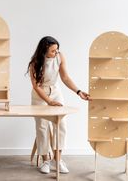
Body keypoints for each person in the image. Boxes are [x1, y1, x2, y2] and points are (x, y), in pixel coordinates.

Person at [27, 36, 90, 174]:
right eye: (53, 51)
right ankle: (45, 160)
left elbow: (65, 77)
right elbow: (36, 86)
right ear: (44, 51)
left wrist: (78, 92)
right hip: (40, 95)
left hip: (55, 91)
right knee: (42, 126)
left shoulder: (60, 57)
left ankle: (58, 159)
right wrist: (49, 101)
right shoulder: (35, 63)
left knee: (61, 124)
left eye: (57, 50)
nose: (56, 53)